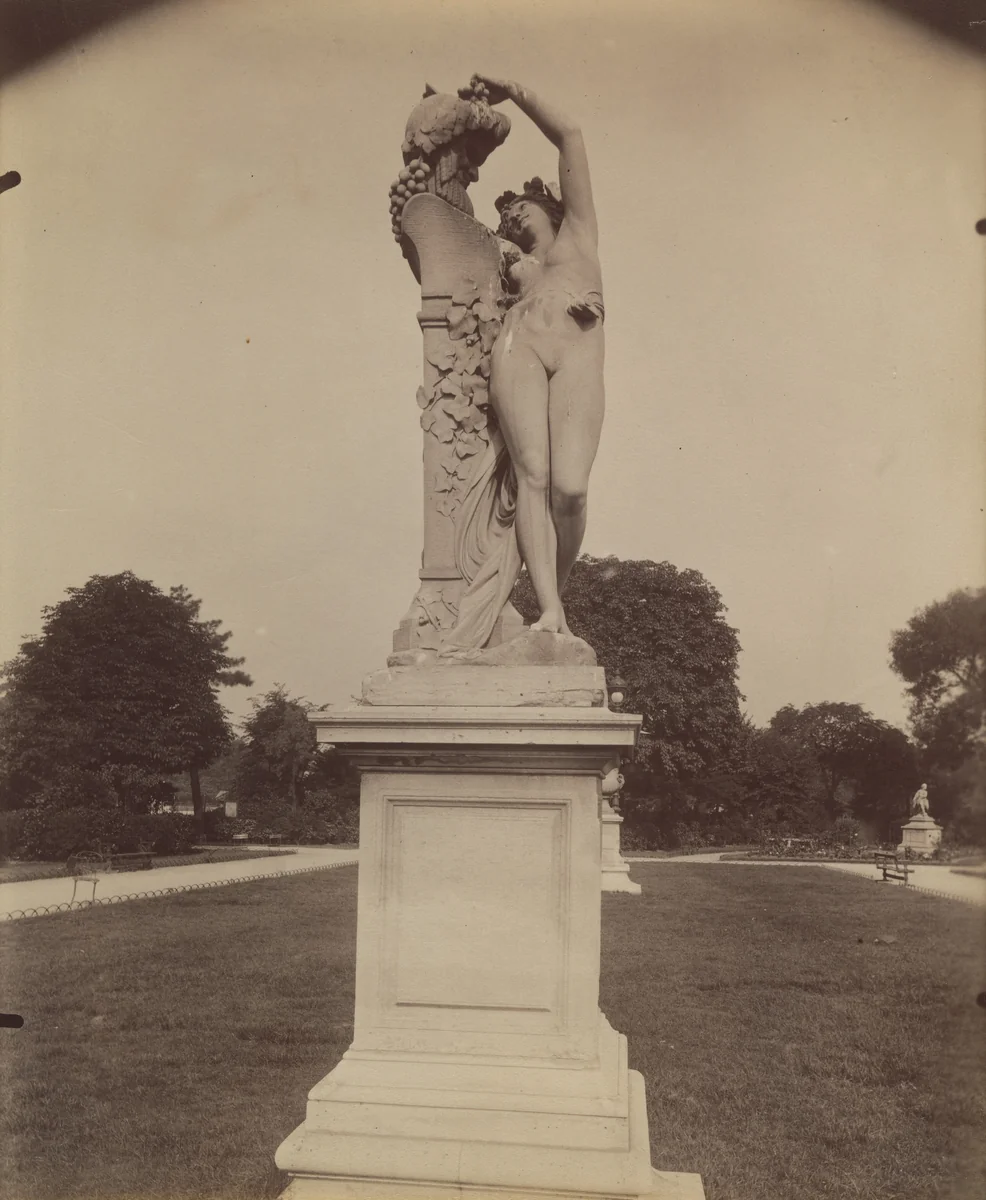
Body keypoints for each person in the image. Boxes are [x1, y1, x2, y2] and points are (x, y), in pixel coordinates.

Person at [472, 74, 604, 636]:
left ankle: (554, 594)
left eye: (521, 207)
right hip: (516, 346)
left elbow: (570, 135)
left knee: (570, 490)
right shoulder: (514, 268)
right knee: (534, 474)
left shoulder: (578, 238)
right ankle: (550, 609)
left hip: (575, 355)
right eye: (506, 219)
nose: (513, 219)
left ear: (548, 205)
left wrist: (514, 92)